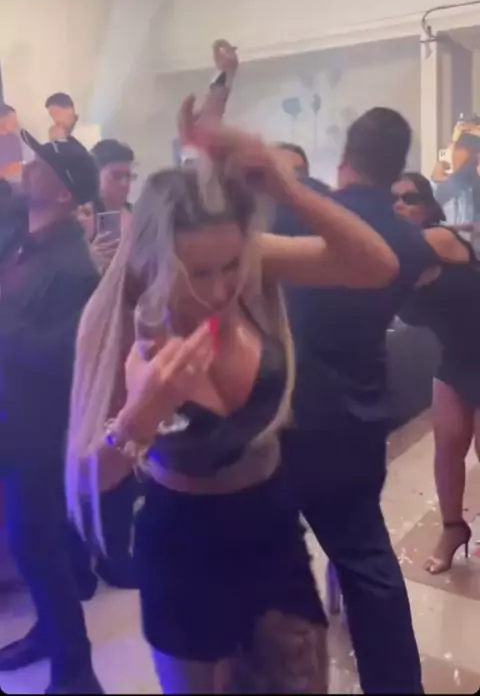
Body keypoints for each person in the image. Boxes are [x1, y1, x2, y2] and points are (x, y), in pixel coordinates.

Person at [65, 93, 399, 694]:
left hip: (272, 528)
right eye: (198, 273)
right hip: (183, 552)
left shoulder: (249, 264)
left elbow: (376, 266)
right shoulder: (120, 318)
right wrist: (139, 417)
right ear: (154, 259)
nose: (222, 289)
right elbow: (85, 482)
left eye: (231, 265)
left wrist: (287, 188)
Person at [274, 109, 437, 695]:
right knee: (367, 561)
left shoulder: (306, 212)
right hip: (361, 415)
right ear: (397, 168)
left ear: (344, 160)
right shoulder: (409, 241)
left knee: (274, 559)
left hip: (289, 416)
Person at [0, 132, 103, 695]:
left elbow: (60, 359)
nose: (27, 166)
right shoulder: (21, 235)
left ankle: (77, 672)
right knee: (37, 540)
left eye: (40, 164)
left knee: (35, 542)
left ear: (64, 193)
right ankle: (49, 633)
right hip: (10, 413)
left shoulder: (74, 270)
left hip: (37, 427)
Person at [393, 172, 480, 574]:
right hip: (456, 357)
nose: (400, 205)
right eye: (392, 199)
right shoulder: (397, 262)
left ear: (427, 206)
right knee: (447, 448)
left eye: (410, 198)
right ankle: (452, 529)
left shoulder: (439, 239)